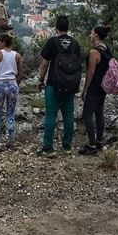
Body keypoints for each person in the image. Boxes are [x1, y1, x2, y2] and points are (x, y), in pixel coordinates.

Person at [37, 15, 81, 157]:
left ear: (56, 28)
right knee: (68, 115)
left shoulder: (52, 42)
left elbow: (44, 64)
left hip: (54, 84)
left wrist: (40, 79)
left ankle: (48, 148)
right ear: (68, 28)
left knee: (51, 115)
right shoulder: (75, 44)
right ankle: (67, 146)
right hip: (70, 84)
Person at [0, 33, 24, 151]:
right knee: (10, 114)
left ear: (3, 42)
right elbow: (21, 73)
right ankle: (11, 143)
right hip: (12, 84)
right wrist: (14, 84)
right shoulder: (17, 55)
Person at [79, 26, 112, 155]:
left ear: (96, 35)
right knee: (99, 113)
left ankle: (92, 145)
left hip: (94, 86)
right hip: (103, 86)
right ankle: (99, 142)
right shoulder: (106, 48)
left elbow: (90, 71)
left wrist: (85, 89)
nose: (90, 35)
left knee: (87, 114)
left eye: (92, 33)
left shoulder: (94, 52)